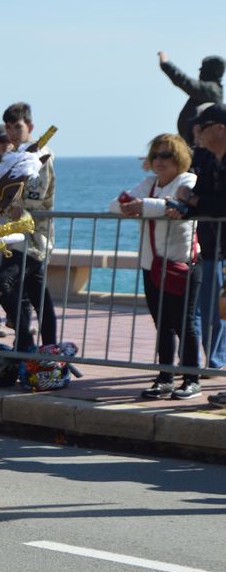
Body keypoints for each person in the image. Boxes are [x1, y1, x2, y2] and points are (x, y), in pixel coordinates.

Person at [109, 133, 201, 399]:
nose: (160, 160)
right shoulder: (149, 183)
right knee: (162, 323)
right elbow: (115, 204)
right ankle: (165, 377)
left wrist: (143, 206)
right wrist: (132, 207)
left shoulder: (187, 180)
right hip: (152, 265)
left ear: (179, 157)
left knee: (184, 324)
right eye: (156, 155)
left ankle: (192, 378)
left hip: (181, 264)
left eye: (166, 155)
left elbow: (180, 204)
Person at [0, 101, 57, 353]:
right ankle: (46, 347)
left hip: (34, 238)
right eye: (9, 127)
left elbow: (36, 197)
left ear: (30, 126)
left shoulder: (40, 156)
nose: (13, 132)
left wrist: (9, 205)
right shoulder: (11, 156)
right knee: (37, 295)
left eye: (17, 126)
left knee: (1, 283)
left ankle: (29, 342)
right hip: (13, 238)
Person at [177, 104, 226, 408]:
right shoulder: (210, 160)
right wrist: (182, 206)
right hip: (215, 248)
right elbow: (203, 202)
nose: (197, 133)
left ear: (220, 128)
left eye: (203, 127)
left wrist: (193, 200)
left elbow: (217, 204)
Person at [158, 52, 225, 144]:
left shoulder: (211, 90)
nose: (199, 71)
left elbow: (185, 81)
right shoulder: (212, 90)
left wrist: (165, 64)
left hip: (197, 144)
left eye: (203, 69)